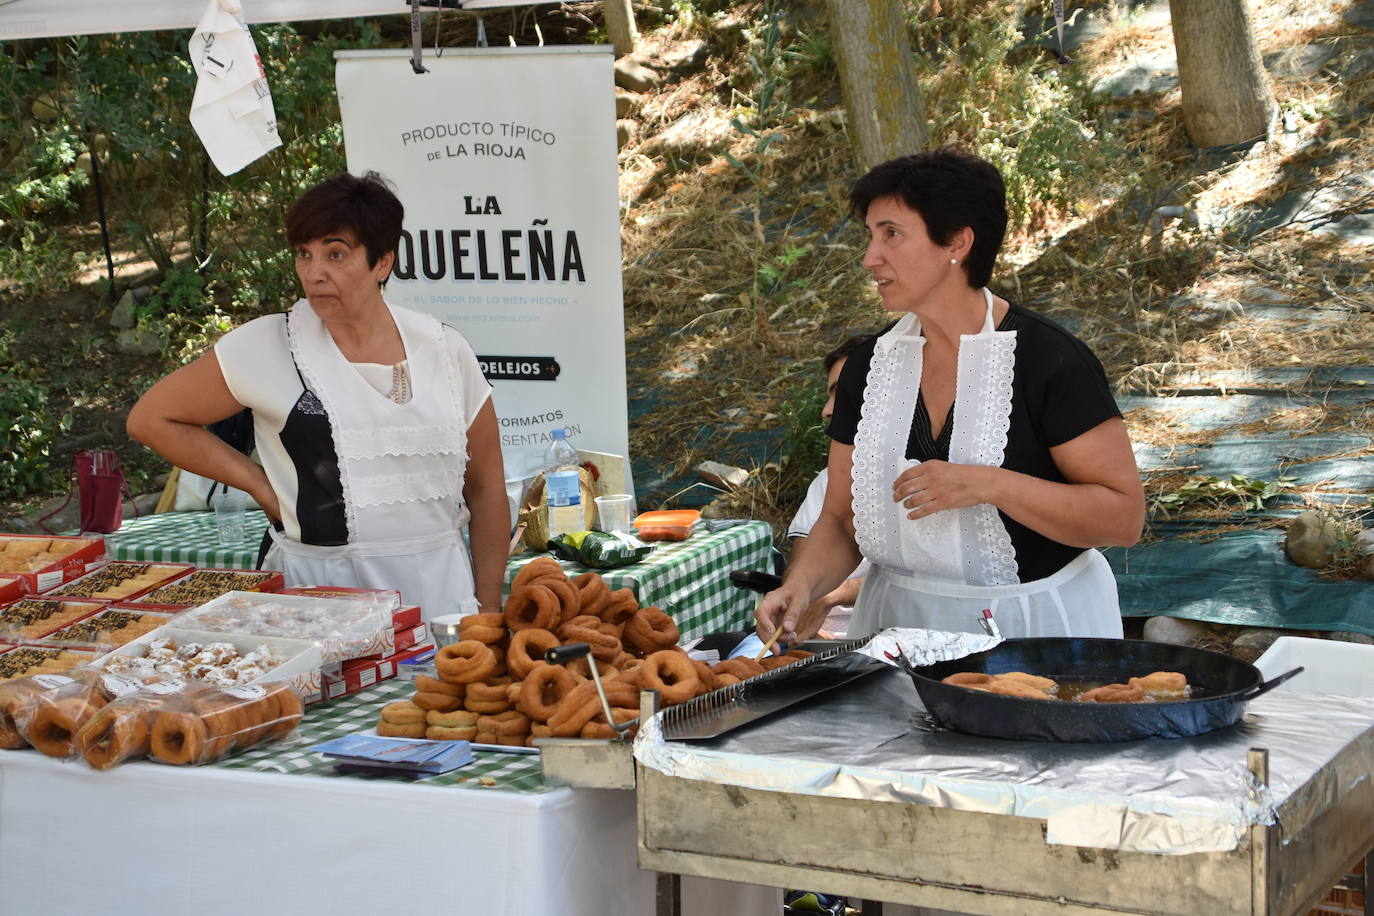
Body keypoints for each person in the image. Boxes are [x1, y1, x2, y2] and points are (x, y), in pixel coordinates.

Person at [757, 148, 1145, 645]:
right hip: (892, 625)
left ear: (957, 242)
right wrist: (801, 585)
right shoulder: (867, 367)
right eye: (871, 236)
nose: (870, 257)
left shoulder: (1050, 360)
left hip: (1035, 633)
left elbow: (1123, 518)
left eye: (892, 234)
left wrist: (993, 485)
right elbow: (838, 518)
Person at [127, 171, 508, 622]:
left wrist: (487, 609)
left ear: (382, 262)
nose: (314, 273)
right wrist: (259, 484)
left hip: (441, 596)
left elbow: (485, 488)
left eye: (336, 254)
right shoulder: (268, 345)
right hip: (319, 601)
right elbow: (152, 419)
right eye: (303, 255)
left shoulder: (444, 350)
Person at [784, 334, 874, 639]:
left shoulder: (927, 478)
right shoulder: (828, 481)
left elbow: (917, 583)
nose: (826, 410)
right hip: (815, 640)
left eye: (842, 394)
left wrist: (832, 596)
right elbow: (803, 562)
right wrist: (796, 600)